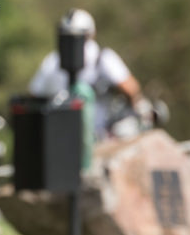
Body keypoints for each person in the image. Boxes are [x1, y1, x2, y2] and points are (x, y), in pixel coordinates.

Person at [26, 9, 147, 140]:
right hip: (99, 137)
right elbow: (131, 88)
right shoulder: (103, 58)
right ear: (91, 34)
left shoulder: (51, 61)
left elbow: (33, 96)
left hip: (60, 138)